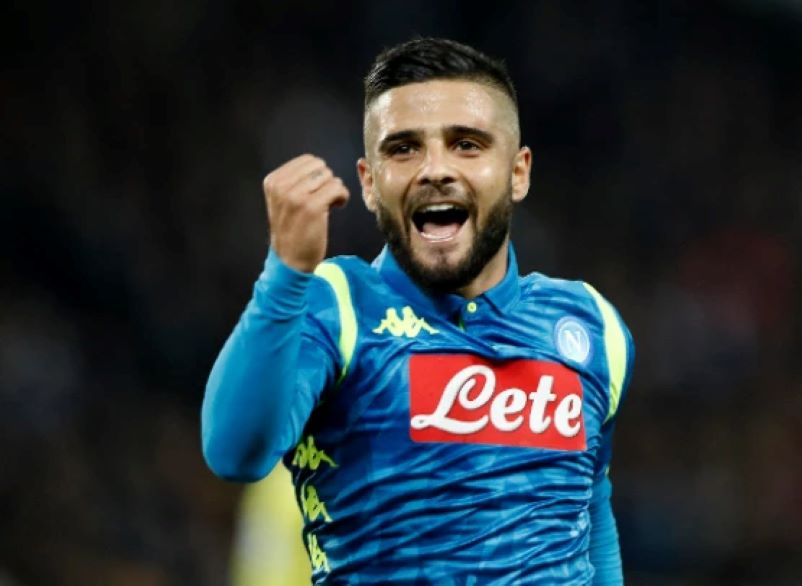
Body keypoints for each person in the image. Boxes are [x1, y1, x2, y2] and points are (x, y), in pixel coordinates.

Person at [202, 37, 635, 584]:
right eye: (404, 148)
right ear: (369, 183)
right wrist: (286, 273)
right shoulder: (338, 306)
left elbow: (589, 514)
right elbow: (234, 452)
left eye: (467, 144)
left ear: (518, 172)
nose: (435, 169)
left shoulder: (591, 325)